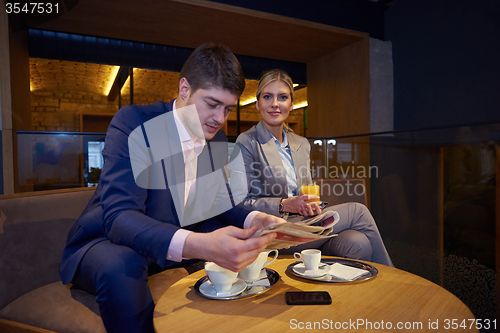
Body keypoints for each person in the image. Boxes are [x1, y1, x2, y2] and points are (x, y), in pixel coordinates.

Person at [59, 43, 283, 333]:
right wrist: (200, 244)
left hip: (168, 235)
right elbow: (119, 217)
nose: (220, 119)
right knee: (121, 264)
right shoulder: (134, 123)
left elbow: (221, 201)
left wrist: (257, 219)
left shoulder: (215, 139)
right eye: (212, 104)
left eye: (228, 108)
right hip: (107, 240)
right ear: (185, 89)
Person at [229, 69, 393, 267]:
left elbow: (306, 191)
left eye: (282, 97)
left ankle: (362, 296)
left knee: (358, 243)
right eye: (267, 97)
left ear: (291, 104)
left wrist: (311, 205)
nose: (274, 103)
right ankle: (394, 284)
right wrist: (283, 204)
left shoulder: (301, 144)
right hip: (274, 232)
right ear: (257, 104)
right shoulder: (247, 142)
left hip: (305, 224)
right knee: (358, 211)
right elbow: (239, 202)